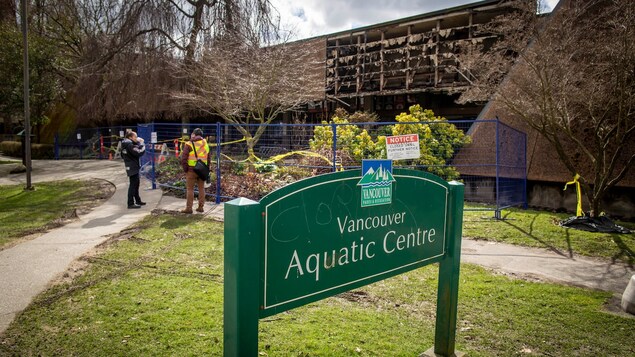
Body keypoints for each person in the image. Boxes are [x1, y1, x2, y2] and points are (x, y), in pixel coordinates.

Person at [180, 128, 211, 213]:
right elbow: (208, 159)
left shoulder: (189, 144)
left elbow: (184, 159)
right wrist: (206, 170)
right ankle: (201, 207)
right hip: (202, 170)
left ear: (194, 134)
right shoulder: (206, 144)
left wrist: (186, 169)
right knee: (201, 188)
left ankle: (189, 208)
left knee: (190, 189)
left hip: (191, 170)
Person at [121, 130, 146, 209]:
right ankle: (130, 203)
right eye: (135, 137)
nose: (137, 138)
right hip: (133, 167)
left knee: (136, 184)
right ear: (130, 137)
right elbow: (139, 152)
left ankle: (138, 200)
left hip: (131, 166)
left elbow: (124, 155)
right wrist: (142, 143)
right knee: (133, 185)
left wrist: (137, 143)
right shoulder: (129, 145)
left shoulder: (126, 144)